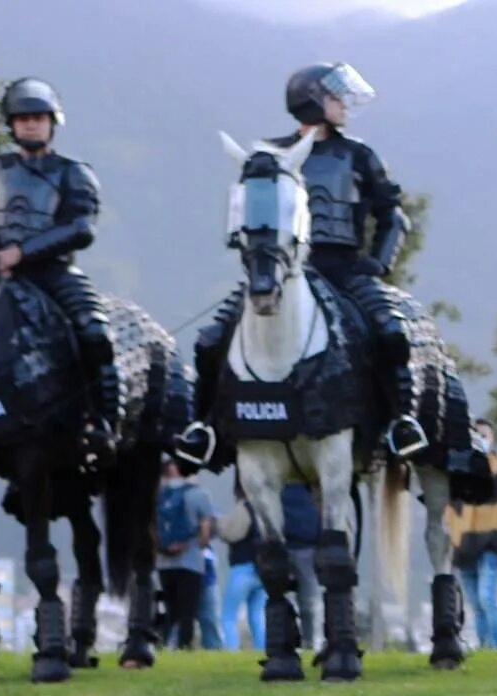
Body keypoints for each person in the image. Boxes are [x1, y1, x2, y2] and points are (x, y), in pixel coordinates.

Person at [184, 62, 425, 461]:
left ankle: (402, 421)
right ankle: (203, 427)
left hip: (345, 269)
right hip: (282, 270)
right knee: (211, 340)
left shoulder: (359, 155)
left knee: (391, 332)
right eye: (335, 97)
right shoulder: (268, 154)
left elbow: (393, 217)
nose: (345, 104)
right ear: (312, 101)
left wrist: (376, 264)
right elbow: (249, 213)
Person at [0, 78, 120, 459]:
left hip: (54, 273)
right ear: (11, 124)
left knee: (95, 332)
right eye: (22, 118)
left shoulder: (74, 173)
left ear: (52, 122)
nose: (30, 124)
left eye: (38, 118)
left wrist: (20, 254)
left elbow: (81, 228)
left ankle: (102, 423)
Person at [445, 445, 497, 651]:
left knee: (487, 597)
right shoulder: (457, 467)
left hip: (491, 544)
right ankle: (485, 645)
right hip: (465, 544)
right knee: (476, 601)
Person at [155, 458, 217, 649]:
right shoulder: (199, 494)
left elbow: (150, 527)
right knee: (187, 610)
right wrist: (200, 544)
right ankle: (184, 645)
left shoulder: (158, 495)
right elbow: (206, 529)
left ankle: (165, 643)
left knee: (171, 609)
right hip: (190, 561)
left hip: (164, 562)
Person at [220, 491, 266, 650]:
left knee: (228, 616)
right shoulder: (266, 508)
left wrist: (220, 525)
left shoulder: (245, 508)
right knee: (257, 615)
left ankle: (231, 650)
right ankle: (263, 650)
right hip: (262, 570)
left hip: (242, 568)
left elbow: (231, 534)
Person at [281, 482, 324, 647]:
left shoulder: (280, 486)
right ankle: (312, 639)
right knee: (310, 598)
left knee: (289, 598)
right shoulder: (311, 486)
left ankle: (293, 641)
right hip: (307, 545)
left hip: (289, 544)